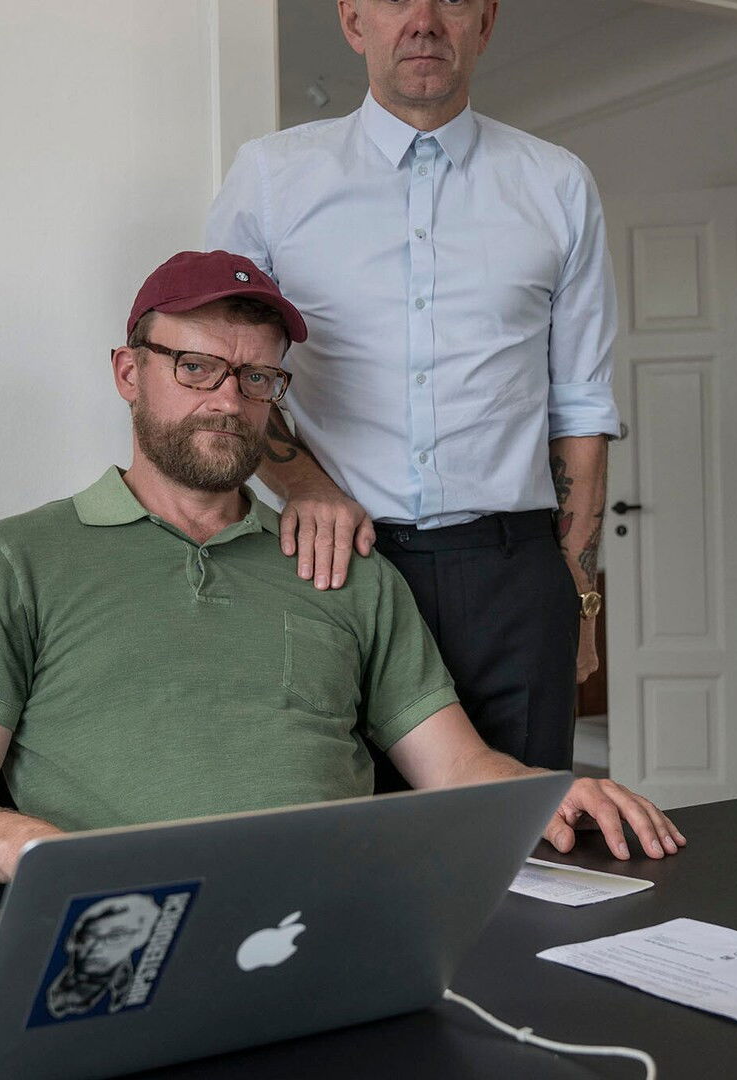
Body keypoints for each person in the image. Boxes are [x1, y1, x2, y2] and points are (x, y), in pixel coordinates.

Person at [0, 251, 680, 884]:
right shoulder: (20, 559)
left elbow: (456, 765)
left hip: (325, 924)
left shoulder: (345, 566)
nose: (228, 400)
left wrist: (547, 791)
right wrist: (34, 852)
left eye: (256, 378)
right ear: (129, 373)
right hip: (119, 930)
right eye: (194, 367)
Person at [205, 0, 616, 788]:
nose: (423, 20)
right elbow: (229, 376)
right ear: (352, 20)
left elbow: (582, 405)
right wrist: (306, 487)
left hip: (518, 579)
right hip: (340, 569)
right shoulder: (272, 178)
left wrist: (582, 596)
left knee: (526, 832)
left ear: (485, 21)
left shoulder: (558, 183)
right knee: (348, 833)